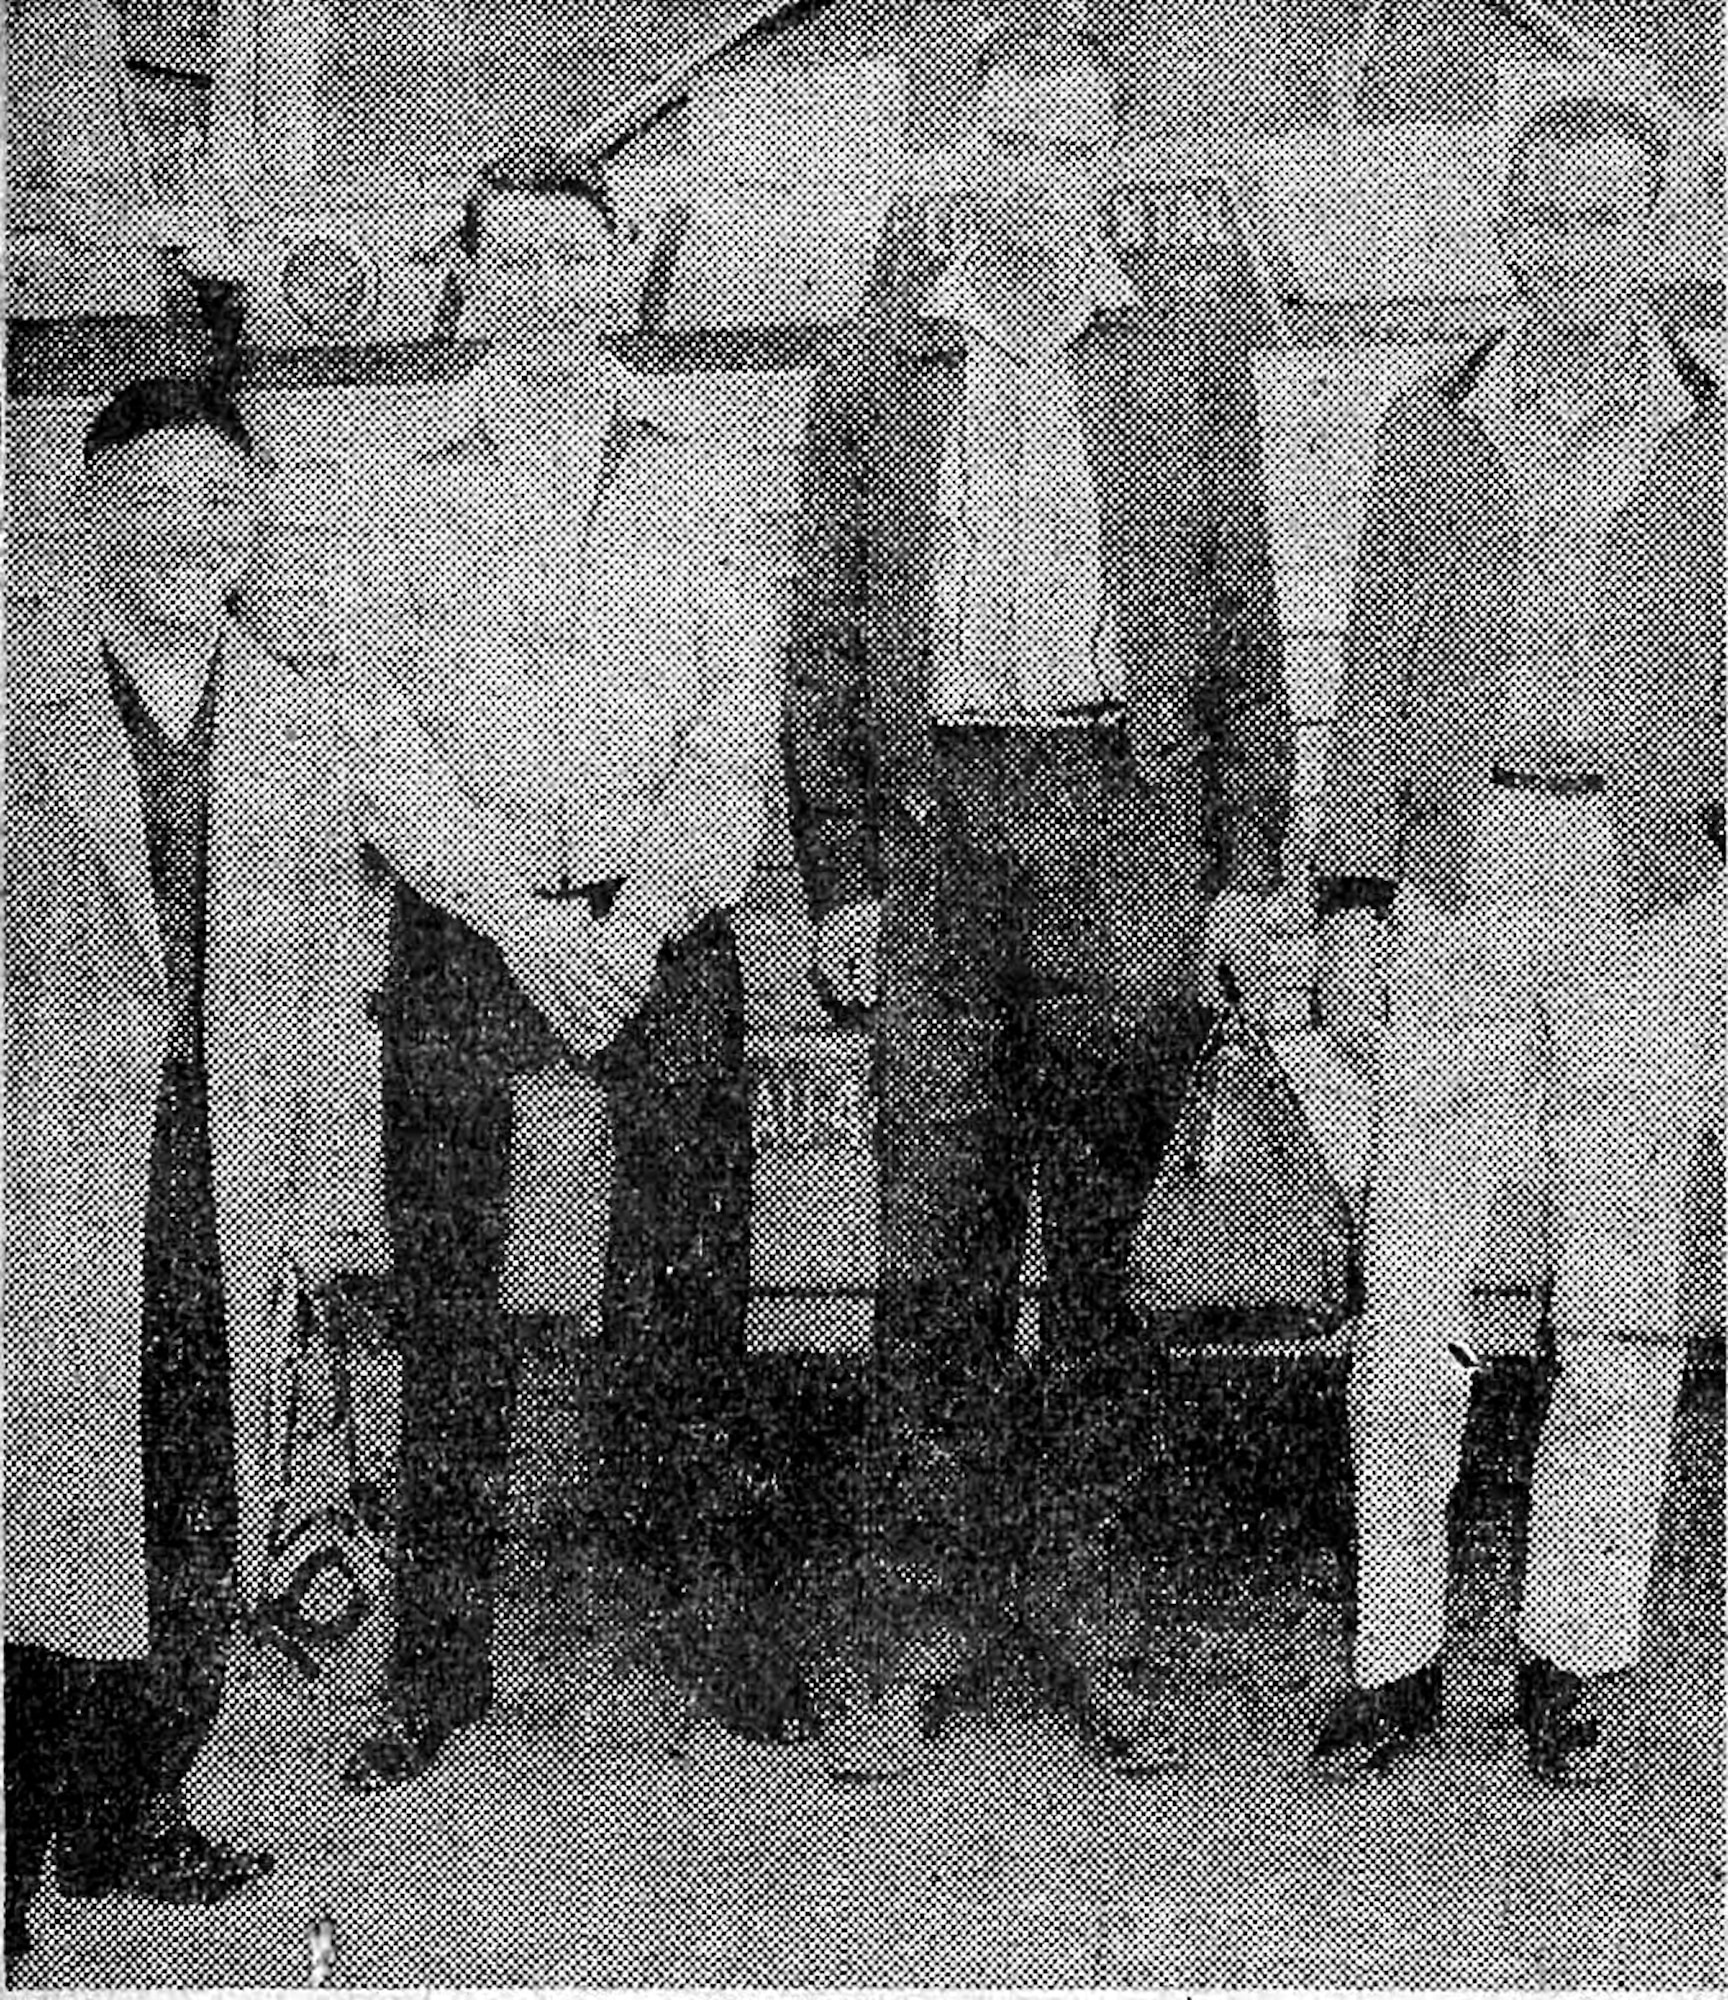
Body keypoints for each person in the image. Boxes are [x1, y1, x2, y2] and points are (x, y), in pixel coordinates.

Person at [783, 19, 1293, 1779]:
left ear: (1106, 161)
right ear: (964, 156)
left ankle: (1097, 1626)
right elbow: (829, 632)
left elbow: (1238, 629)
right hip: (935, 833)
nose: (1033, 177)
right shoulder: (878, 365)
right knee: (928, 1258)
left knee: (1103, 1258)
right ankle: (919, 1633)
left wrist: (1241, 873)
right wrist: (841, 871)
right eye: (1005, 142)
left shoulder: (1183, 353)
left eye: (1066, 146)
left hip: (1120, 823)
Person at [330, 151, 783, 1792]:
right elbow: (374, 734)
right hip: (472, 924)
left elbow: (739, 723)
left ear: (616, 274)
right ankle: (434, 1663)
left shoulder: (700, 466)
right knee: (448, 1309)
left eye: (573, 262)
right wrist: (520, 919)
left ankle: (723, 1632)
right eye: (511, 264)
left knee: (693, 1290)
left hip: (657, 924)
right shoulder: (399, 479)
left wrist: (637, 918)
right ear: (471, 281)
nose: (545, 292)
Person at [1309, 95, 1723, 1786]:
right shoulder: (1432, 422)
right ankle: (1395, 1659)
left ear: (1662, 235)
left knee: (1622, 1296)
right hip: (1459, 881)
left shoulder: (1714, 430)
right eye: (1544, 220)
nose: (1573, 253)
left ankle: (1571, 1655)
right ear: (1504, 230)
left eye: (1607, 221)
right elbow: (1377, 675)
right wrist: (1350, 903)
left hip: (1643, 897)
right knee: (1413, 1302)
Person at [4, 377, 381, 1960]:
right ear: (90, 518)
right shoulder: (22, 707)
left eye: (216, 502)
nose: (184, 531)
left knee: (192, 1493)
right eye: (149, 499)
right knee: (43, 1501)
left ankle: (130, 1807)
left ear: (252, 524)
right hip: (56, 1164)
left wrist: (327, 1200)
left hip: (227, 1172)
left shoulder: (290, 717)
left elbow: (323, 976)